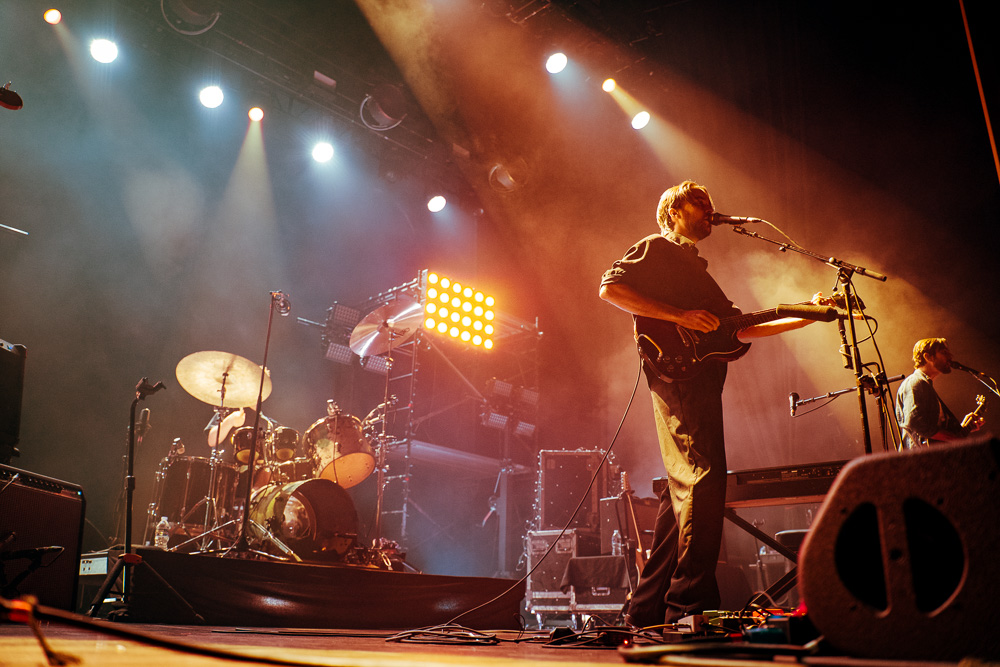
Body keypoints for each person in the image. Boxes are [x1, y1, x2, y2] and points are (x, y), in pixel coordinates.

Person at [599, 180, 823, 628]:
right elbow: (610, 288)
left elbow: (740, 329)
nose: (710, 210)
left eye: (710, 204)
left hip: (702, 382)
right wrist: (679, 316)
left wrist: (806, 315)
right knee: (704, 477)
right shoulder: (656, 247)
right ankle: (688, 608)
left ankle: (646, 611)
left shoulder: (697, 271)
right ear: (673, 212)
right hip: (678, 377)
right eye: (699, 203)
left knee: (682, 496)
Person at [895, 338, 984, 449]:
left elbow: (932, 431)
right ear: (928, 357)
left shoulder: (925, 385)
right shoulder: (916, 382)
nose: (950, 356)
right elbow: (915, 421)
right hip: (920, 456)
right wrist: (954, 438)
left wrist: (962, 428)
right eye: (944, 352)